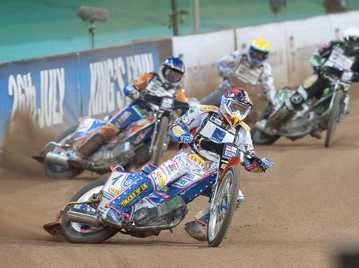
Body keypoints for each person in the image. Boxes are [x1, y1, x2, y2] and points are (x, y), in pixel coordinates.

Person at [105, 87, 273, 241]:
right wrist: (183, 134)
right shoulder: (203, 112)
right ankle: (115, 207)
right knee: (157, 179)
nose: (237, 112)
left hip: (213, 170)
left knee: (237, 198)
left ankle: (199, 223)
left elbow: (249, 160)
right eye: (235, 107)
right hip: (189, 157)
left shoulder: (243, 132)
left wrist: (260, 166)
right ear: (225, 103)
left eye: (241, 110)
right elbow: (177, 125)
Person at [263, 27, 359, 139]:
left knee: (343, 106)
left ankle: (319, 127)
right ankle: (272, 123)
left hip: (339, 85)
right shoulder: (334, 45)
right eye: (351, 42)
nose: (352, 46)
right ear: (345, 39)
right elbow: (316, 55)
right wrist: (318, 64)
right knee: (298, 98)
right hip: (321, 77)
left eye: (355, 43)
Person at [69, 56, 187, 166]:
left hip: (156, 120)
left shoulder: (178, 92)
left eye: (176, 76)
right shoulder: (150, 78)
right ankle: (80, 153)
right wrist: (134, 92)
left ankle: (131, 168)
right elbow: (130, 85)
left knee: (157, 145)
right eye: (170, 73)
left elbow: (184, 108)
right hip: (138, 109)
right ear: (163, 69)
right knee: (111, 129)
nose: (172, 77)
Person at [200, 37, 277, 111]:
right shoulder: (240, 56)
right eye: (255, 54)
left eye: (260, 55)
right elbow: (221, 63)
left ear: (265, 56)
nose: (256, 58)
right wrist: (226, 72)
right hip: (228, 89)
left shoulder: (265, 68)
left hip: (244, 99)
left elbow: (269, 87)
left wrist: (273, 100)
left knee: (253, 116)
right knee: (203, 107)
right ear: (251, 51)